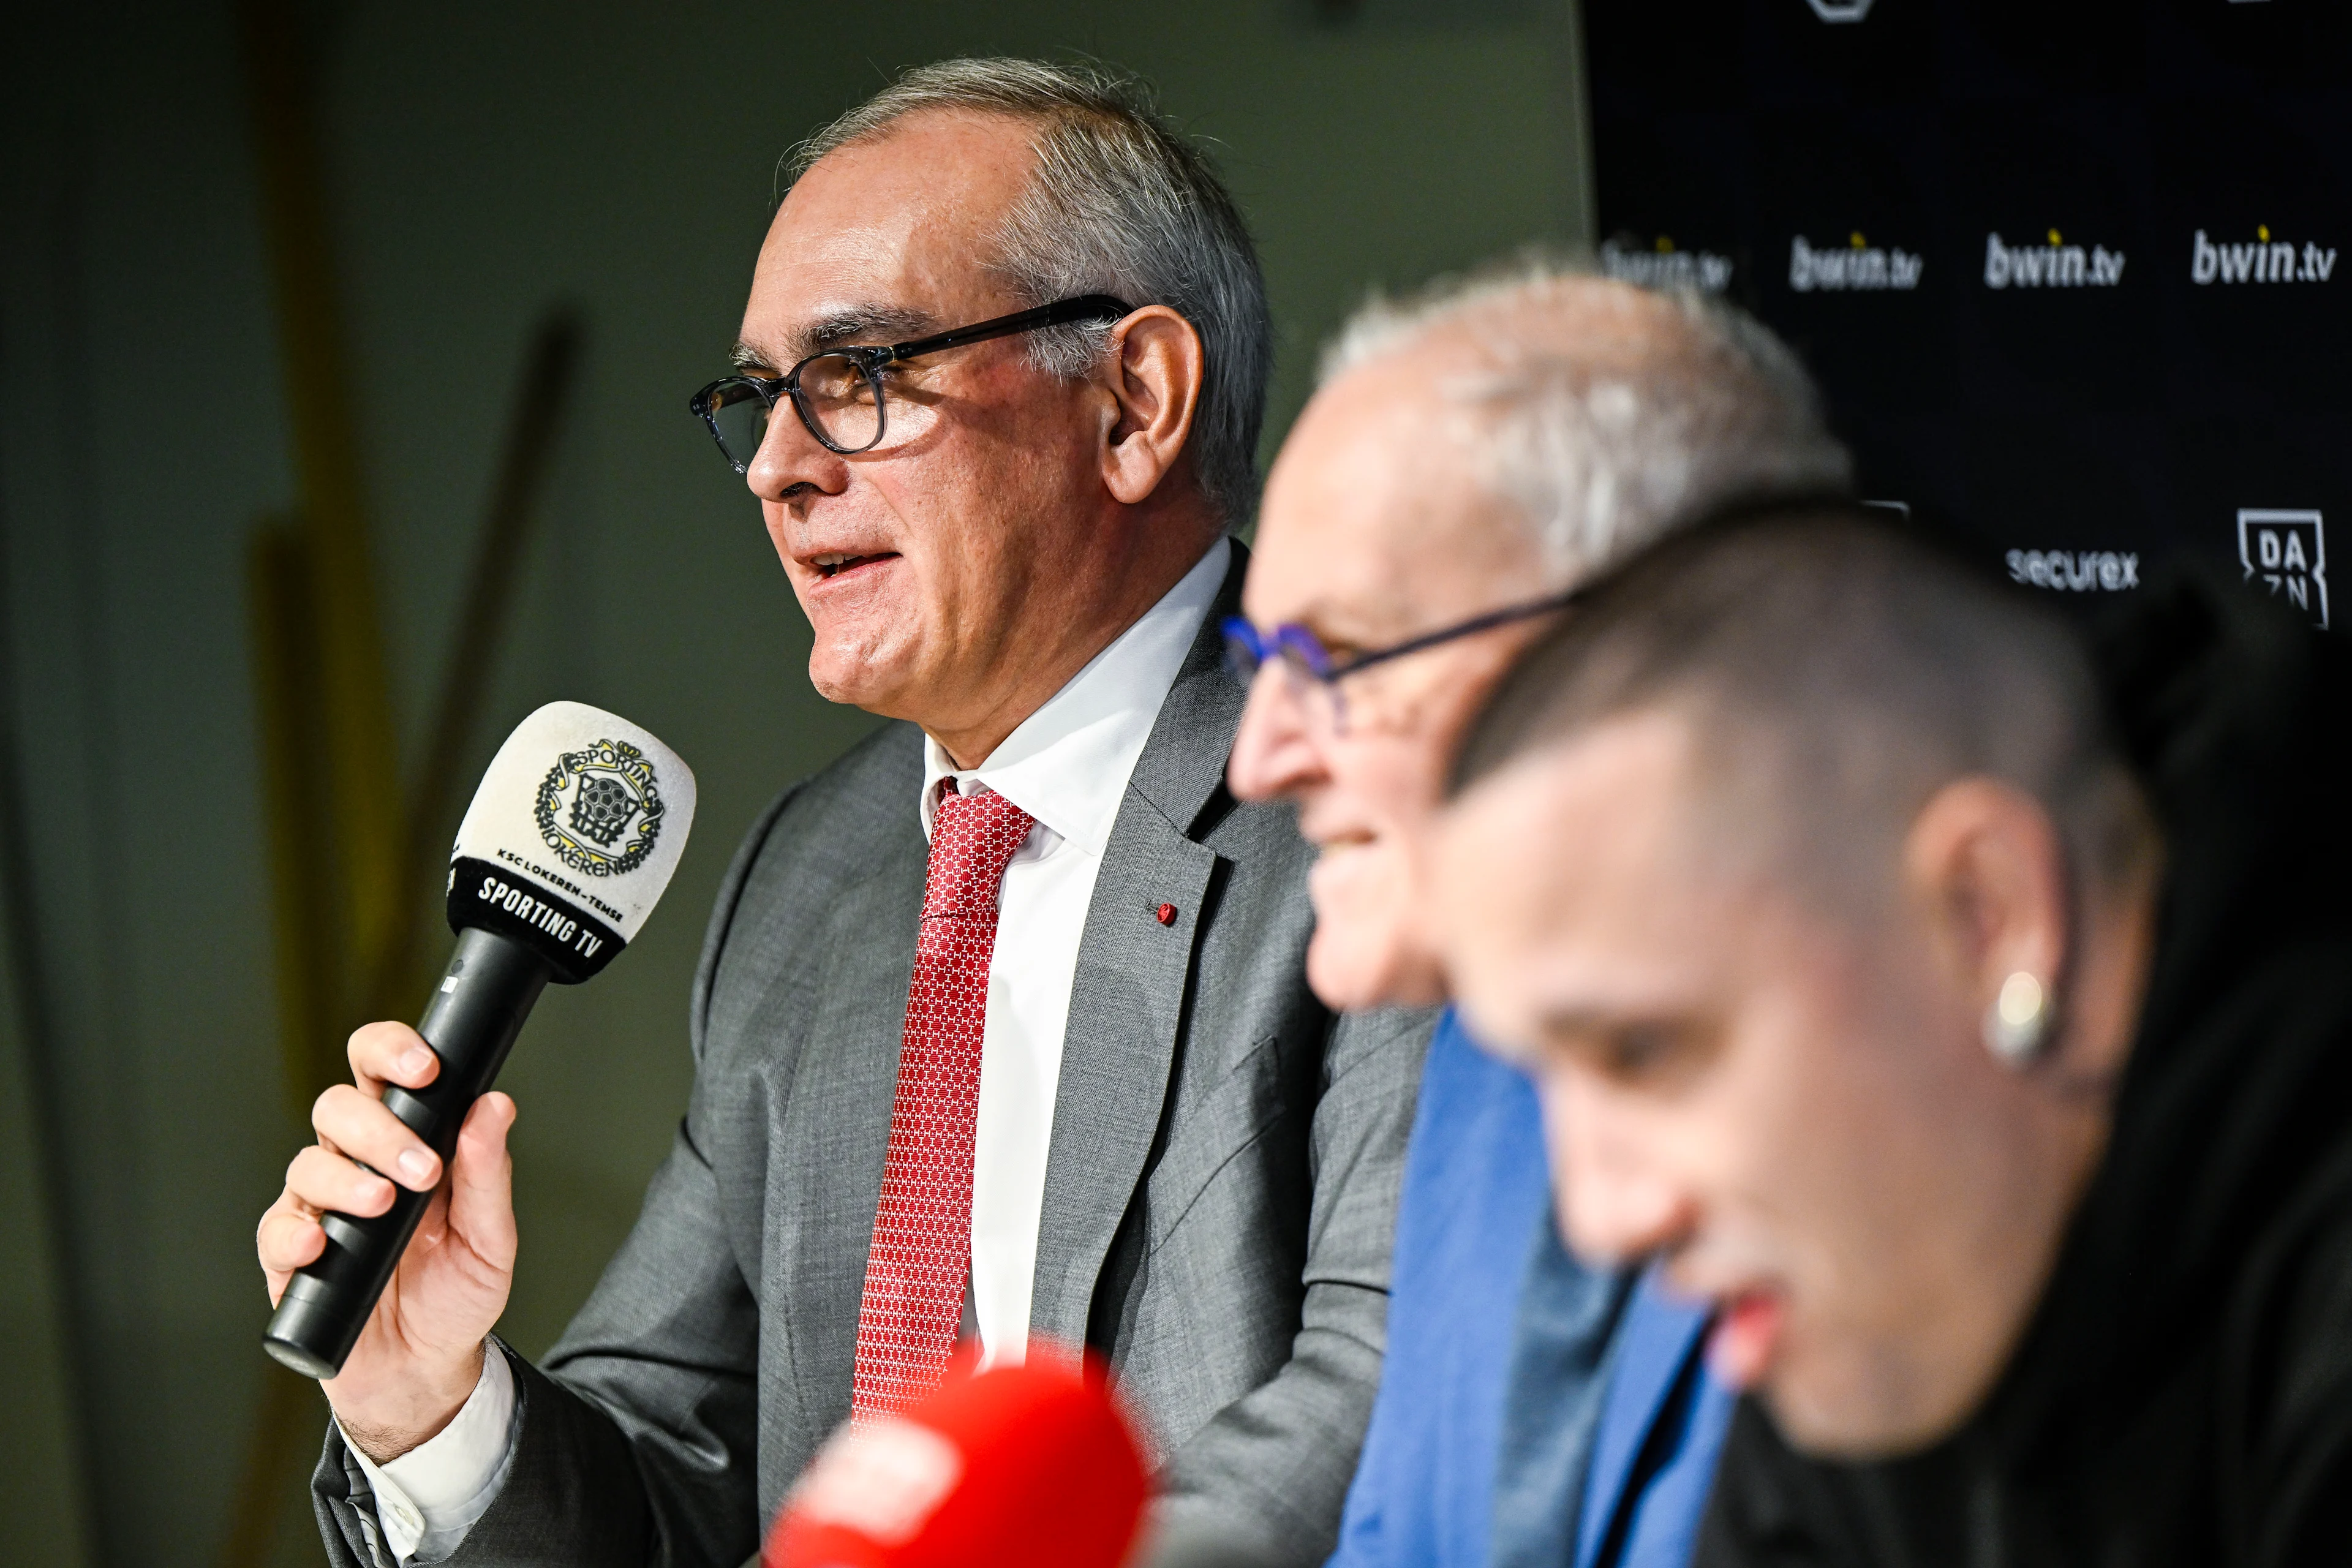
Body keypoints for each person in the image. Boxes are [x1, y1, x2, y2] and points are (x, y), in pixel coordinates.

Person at [255, 59, 1429, 1568]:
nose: (777, 468)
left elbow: (1400, 1394)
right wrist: (437, 1405)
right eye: (756, 396)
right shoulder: (808, 876)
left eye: (861, 372)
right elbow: (675, 1472)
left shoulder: (1393, 784)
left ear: (1133, 401)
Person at [1436, 503, 2352, 1566]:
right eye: (1547, 1077)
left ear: (1989, 916)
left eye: (1646, 1051)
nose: (1603, 1220)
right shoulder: (1884, 1270)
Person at [1221, 263, 1849, 1568]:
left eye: (1332, 660)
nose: (1259, 758)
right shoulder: (1486, 1052)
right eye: (1258, 663)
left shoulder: (1936, 1076)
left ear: (1640, 643)